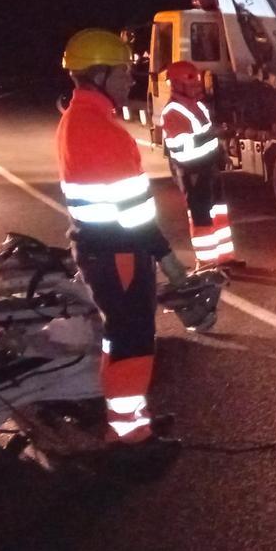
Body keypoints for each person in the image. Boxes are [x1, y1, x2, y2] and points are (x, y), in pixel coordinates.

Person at [58, 29, 187, 454]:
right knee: (132, 340)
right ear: (98, 74)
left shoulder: (78, 119)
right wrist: (166, 257)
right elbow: (133, 212)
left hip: (101, 249)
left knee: (118, 337)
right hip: (120, 251)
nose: (130, 79)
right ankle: (131, 437)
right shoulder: (102, 131)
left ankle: (128, 421)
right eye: (123, 72)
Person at [160, 61, 238, 268]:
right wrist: (213, 134)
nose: (197, 86)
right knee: (202, 217)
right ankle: (206, 264)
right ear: (177, 84)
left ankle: (225, 259)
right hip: (192, 171)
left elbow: (209, 135)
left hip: (208, 167)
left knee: (218, 213)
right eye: (191, 82)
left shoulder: (198, 104)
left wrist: (221, 154)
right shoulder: (173, 110)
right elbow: (179, 146)